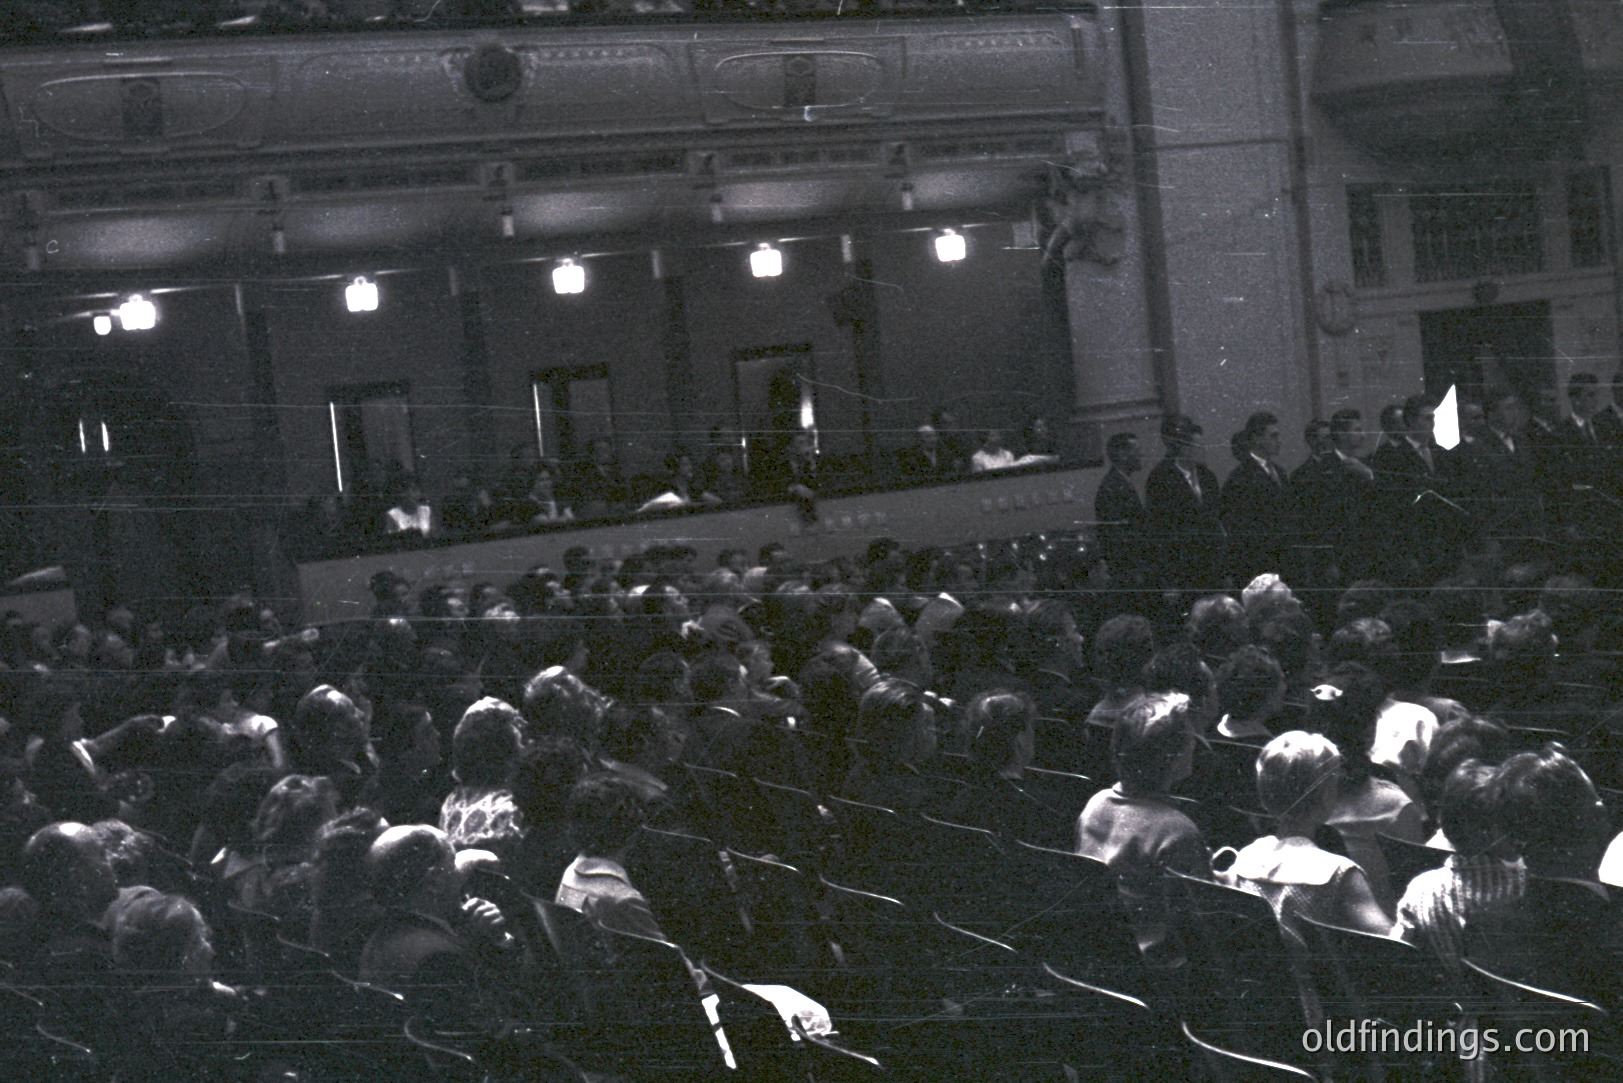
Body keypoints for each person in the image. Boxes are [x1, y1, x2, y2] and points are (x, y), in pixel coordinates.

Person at [1228, 732, 1391, 1000]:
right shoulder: (1339, 873)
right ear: (1328, 794)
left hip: (1261, 1000)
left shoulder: (1245, 858)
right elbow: (1390, 944)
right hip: (1326, 1010)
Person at [1075, 691, 1211, 966]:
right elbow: (1203, 923)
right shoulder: (1177, 831)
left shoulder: (1095, 804)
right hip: (1158, 968)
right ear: (1173, 758)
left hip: (1098, 953)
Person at [1392, 761, 1525, 984]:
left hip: (1456, 1013)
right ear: (1499, 829)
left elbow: (1400, 955)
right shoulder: (1524, 887)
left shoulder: (1419, 889)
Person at [1144, 413, 1225, 595]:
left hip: (1212, 566)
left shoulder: (1207, 477)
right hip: (1184, 570)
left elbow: (1218, 520)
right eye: (1197, 446)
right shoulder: (1161, 479)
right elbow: (1160, 531)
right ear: (1181, 447)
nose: (1202, 450)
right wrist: (1169, 580)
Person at [1221, 411, 1297, 587]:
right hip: (1259, 564)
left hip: (1285, 562)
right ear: (1256, 439)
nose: (1279, 441)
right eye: (1273, 436)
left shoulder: (1280, 472)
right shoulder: (1240, 478)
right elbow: (1239, 528)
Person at [1094, 432, 1148, 585]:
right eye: (1136, 450)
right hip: (1129, 570)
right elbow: (1117, 536)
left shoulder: (1119, 483)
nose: (1141, 454)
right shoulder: (1112, 488)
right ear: (1123, 455)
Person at [896, 422, 960, 481]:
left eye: (934, 436)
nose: (933, 440)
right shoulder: (912, 458)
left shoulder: (945, 455)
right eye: (928, 437)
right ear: (920, 440)